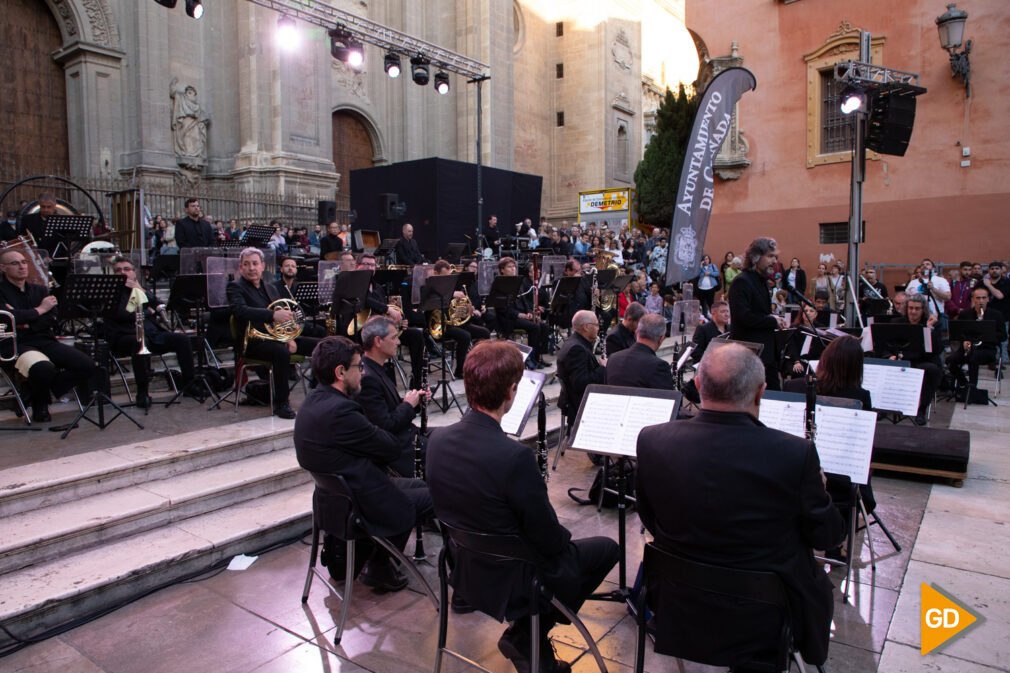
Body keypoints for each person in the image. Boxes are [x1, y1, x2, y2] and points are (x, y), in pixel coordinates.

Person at [636, 343, 844, 667]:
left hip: (678, 598)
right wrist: (822, 493)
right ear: (761, 392)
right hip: (763, 610)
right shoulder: (795, 454)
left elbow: (649, 516)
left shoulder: (651, 439)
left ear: (700, 386)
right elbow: (827, 537)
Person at [426, 341, 619, 673]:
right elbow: (549, 539)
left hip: (465, 566)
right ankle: (530, 633)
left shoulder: (437, 440)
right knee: (605, 549)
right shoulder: (513, 457)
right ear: (512, 391)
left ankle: (527, 638)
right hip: (512, 579)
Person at [293, 336, 433, 592]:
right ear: (340, 372)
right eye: (359, 367)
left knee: (418, 484)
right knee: (435, 496)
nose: (363, 372)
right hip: (362, 500)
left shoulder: (312, 402)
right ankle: (381, 565)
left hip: (336, 497)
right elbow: (389, 447)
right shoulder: (343, 411)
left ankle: (381, 561)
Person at [0, 249, 97, 423]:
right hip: (16, 343)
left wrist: (25, 320)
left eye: (24, 262)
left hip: (44, 339)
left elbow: (53, 318)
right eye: (15, 263)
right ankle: (40, 406)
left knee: (87, 365)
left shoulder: (40, 290)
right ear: (3, 268)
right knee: (43, 368)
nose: (22, 266)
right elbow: (5, 319)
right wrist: (40, 310)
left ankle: (31, 390)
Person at [226, 247, 320, 419]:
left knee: (320, 346)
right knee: (281, 353)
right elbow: (240, 311)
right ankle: (281, 403)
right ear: (241, 268)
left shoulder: (270, 288)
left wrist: (290, 337)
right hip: (253, 343)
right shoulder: (235, 287)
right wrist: (272, 316)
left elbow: (284, 317)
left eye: (255, 263)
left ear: (263, 266)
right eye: (246, 264)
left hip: (276, 338)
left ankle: (320, 392)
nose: (251, 268)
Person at [105, 256, 195, 408]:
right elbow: (125, 314)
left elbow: (158, 304)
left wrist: (139, 290)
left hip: (152, 333)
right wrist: (148, 311)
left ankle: (189, 385)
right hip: (125, 336)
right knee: (140, 342)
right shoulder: (111, 293)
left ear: (134, 273)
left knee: (182, 339)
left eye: (126, 269)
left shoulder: (138, 288)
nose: (123, 273)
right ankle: (142, 393)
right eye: (118, 270)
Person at [356, 317, 429, 477]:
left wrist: (415, 400)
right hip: (398, 447)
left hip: (407, 434)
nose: (398, 342)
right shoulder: (367, 377)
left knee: (457, 437)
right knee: (452, 449)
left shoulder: (378, 368)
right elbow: (386, 425)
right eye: (394, 337)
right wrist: (408, 405)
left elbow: (391, 408)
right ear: (378, 341)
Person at [728, 237, 789, 390]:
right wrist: (772, 321)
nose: (774, 261)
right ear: (755, 257)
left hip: (767, 357)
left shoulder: (761, 281)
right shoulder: (741, 282)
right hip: (751, 357)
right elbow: (743, 316)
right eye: (770, 256)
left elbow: (759, 313)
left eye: (775, 257)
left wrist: (773, 318)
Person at [881, 294, 942, 425]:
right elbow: (886, 345)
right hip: (900, 359)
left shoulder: (930, 324)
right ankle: (884, 407)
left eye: (917, 309)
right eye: (910, 308)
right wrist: (888, 356)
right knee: (882, 364)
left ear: (923, 310)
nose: (913, 311)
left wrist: (929, 329)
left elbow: (936, 350)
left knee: (932, 370)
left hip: (922, 361)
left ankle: (921, 410)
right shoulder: (896, 323)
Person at [947, 286, 1006, 392]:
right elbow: (959, 333)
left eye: (984, 298)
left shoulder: (997, 315)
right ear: (973, 299)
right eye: (978, 298)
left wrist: (989, 335)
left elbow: (1003, 336)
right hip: (967, 348)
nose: (981, 301)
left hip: (987, 349)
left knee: (973, 357)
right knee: (950, 360)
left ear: (988, 299)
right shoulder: (965, 314)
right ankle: (964, 383)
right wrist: (964, 341)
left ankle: (972, 387)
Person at [555, 310, 606, 424]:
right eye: (596, 325)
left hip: (577, 400)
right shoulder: (577, 349)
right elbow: (580, 383)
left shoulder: (574, 342)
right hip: (579, 404)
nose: (598, 328)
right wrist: (603, 368)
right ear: (587, 327)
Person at [496, 256, 547, 368]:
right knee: (535, 327)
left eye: (514, 266)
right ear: (502, 270)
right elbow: (501, 308)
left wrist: (530, 313)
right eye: (509, 267)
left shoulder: (518, 282)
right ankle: (530, 358)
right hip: (508, 319)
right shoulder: (499, 284)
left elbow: (525, 301)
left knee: (543, 326)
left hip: (520, 316)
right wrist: (519, 314)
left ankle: (538, 357)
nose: (513, 269)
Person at [605, 313, 672, 390]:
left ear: (637, 333)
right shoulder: (659, 366)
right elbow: (667, 400)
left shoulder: (613, 359)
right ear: (661, 339)